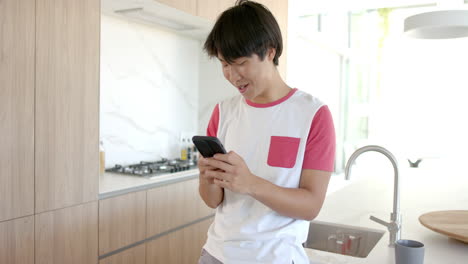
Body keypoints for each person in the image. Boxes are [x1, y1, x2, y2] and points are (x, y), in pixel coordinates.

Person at [197, 1, 336, 263]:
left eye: (240, 63)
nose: (232, 75)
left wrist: (250, 183)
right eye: (224, 64)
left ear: (270, 52)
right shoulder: (223, 112)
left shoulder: (313, 115)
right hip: (217, 254)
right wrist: (206, 177)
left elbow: (311, 206)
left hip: (277, 257)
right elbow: (212, 201)